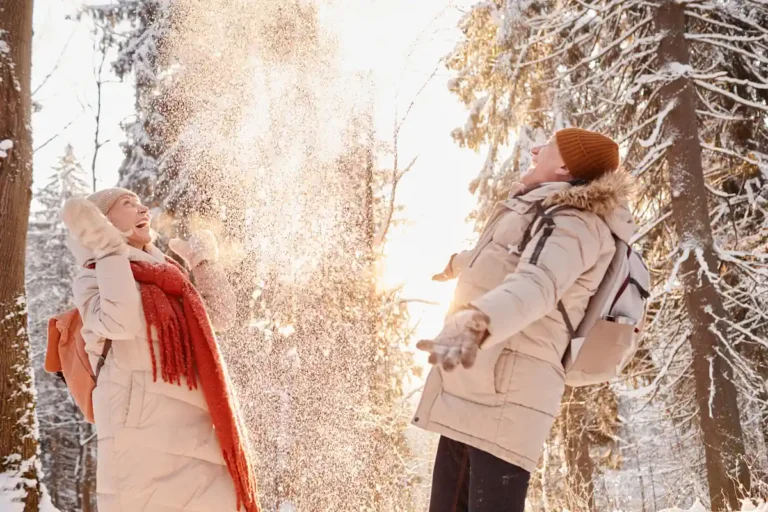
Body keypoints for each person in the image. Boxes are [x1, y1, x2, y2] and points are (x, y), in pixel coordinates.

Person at [414, 128, 636, 511]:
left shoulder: (576, 221)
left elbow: (540, 283)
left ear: (564, 166)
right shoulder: (550, 211)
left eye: (546, 146)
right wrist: (457, 264)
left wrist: (477, 322)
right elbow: (508, 258)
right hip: (479, 385)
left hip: (507, 395)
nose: (535, 150)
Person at [61, 188, 259, 512]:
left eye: (140, 203)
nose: (142, 209)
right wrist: (110, 251)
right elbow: (119, 320)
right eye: (127, 204)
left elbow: (220, 316)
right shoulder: (94, 276)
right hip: (140, 433)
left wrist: (203, 261)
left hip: (197, 429)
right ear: (101, 221)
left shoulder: (171, 276)